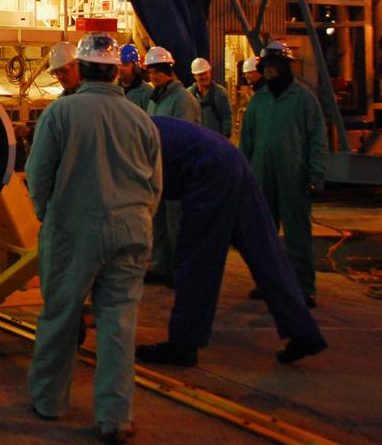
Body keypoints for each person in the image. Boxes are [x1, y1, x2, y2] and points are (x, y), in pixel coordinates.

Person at [25, 33, 162, 444]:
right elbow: (155, 182)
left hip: (76, 229)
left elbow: (38, 175)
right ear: (116, 70)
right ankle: (115, 417)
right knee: (118, 322)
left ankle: (50, 402)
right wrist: (138, 220)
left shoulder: (61, 114)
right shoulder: (142, 118)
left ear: (81, 69)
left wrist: (48, 217)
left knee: (62, 317)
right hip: (133, 228)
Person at [135, 117, 327, 367]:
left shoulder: (117, 141)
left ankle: (183, 345)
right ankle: (303, 332)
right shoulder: (128, 126)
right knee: (264, 251)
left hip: (208, 170)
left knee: (195, 259)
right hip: (230, 159)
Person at [239, 41, 328, 307]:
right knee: (264, 233)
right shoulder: (259, 102)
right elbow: (247, 141)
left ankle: (303, 286)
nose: (267, 72)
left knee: (298, 232)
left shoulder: (303, 100)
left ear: (283, 67)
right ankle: (268, 283)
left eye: (272, 67)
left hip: (294, 176)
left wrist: (317, 174)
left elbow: (317, 140)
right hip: (262, 176)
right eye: (265, 67)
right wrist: (244, 174)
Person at [142, 46, 199, 286]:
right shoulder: (157, 99)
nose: (153, 77)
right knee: (159, 221)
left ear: (168, 70)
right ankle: (160, 265)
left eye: (157, 72)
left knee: (177, 223)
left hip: (177, 170)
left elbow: (184, 136)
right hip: (159, 168)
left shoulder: (182, 99)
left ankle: (180, 270)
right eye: (151, 73)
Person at [188, 57, 232, 138]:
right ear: (194, 76)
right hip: (196, 141)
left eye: (206, 73)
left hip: (215, 141)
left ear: (210, 73)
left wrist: (223, 139)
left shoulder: (220, 93)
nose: (204, 77)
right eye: (201, 74)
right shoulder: (189, 95)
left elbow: (227, 118)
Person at [117, 44, 152, 110]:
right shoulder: (112, 89)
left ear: (135, 68)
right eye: (118, 64)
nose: (120, 68)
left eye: (125, 65)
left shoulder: (147, 93)